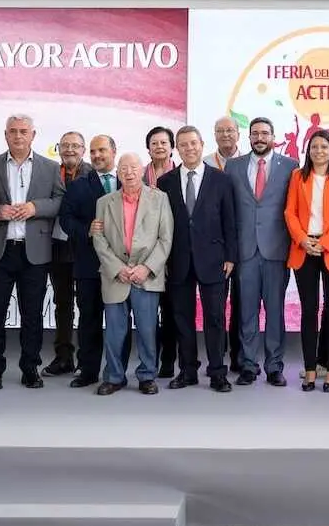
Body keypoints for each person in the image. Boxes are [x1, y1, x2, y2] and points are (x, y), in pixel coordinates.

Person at [0, 115, 64, 391]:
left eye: (23, 132)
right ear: (5, 135)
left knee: (32, 315)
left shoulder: (51, 167)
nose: (18, 136)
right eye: (13, 132)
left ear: (33, 135)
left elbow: (60, 201)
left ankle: (31, 368)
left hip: (35, 254)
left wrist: (35, 208)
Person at [159, 126, 237, 392]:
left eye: (193, 143)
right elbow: (163, 225)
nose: (189, 148)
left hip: (214, 259)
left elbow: (230, 221)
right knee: (182, 317)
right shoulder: (165, 182)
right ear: (176, 149)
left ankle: (217, 373)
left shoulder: (221, 180)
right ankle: (188, 370)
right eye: (183, 144)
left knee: (215, 318)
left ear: (202, 145)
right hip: (177, 260)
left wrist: (231, 256)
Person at [91, 153, 174, 395]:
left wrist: (146, 268)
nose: (128, 172)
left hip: (146, 275)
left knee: (148, 330)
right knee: (115, 332)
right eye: (123, 168)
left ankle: (148, 376)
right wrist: (118, 269)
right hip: (115, 275)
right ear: (117, 172)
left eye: (133, 167)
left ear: (142, 170)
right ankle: (114, 376)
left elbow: (165, 238)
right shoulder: (104, 202)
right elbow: (99, 238)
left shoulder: (159, 199)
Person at [225, 117, 297, 386]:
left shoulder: (291, 166)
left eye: (265, 133)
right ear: (249, 137)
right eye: (255, 133)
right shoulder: (233, 167)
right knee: (246, 311)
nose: (260, 138)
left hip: (276, 250)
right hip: (245, 250)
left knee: (275, 310)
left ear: (273, 136)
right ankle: (247, 364)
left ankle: (275, 366)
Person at [285, 130, 329, 392]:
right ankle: (311, 369)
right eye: (314, 147)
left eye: (324, 147)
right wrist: (303, 240)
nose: (319, 151)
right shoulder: (297, 176)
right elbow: (289, 212)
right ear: (308, 150)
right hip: (304, 249)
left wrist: (324, 243)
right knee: (308, 310)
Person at [59, 134, 129, 388]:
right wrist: (86, 229)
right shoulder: (79, 185)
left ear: (113, 150)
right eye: (93, 151)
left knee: (120, 320)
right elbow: (66, 220)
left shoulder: (129, 181)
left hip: (122, 265)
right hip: (89, 264)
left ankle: (118, 371)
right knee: (88, 318)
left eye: (102, 150)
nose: (97, 155)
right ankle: (87, 370)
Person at [44, 131, 93, 377]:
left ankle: (87, 360)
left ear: (84, 150)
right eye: (65, 146)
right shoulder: (51, 171)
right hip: (58, 246)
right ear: (59, 149)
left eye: (75, 146)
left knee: (87, 305)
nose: (70, 150)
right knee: (62, 304)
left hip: (85, 247)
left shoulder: (93, 175)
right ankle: (63, 357)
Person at [204, 116, 244, 371]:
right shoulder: (206, 162)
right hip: (214, 246)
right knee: (216, 306)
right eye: (220, 130)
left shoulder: (249, 162)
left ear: (238, 133)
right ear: (214, 134)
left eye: (230, 130)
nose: (226, 134)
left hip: (246, 243)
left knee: (242, 303)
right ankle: (217, 358)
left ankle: (238, 356)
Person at [144, 126, 178, 377]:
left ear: (171, 147)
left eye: (164, 143)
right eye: (154, 143)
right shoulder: (138, 176)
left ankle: (168, 360)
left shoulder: (180, 175)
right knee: (147, 312)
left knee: (170, 310)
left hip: (174, 252)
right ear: (148, 148)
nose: (159, 147)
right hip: (144, 254)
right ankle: (149, 359)